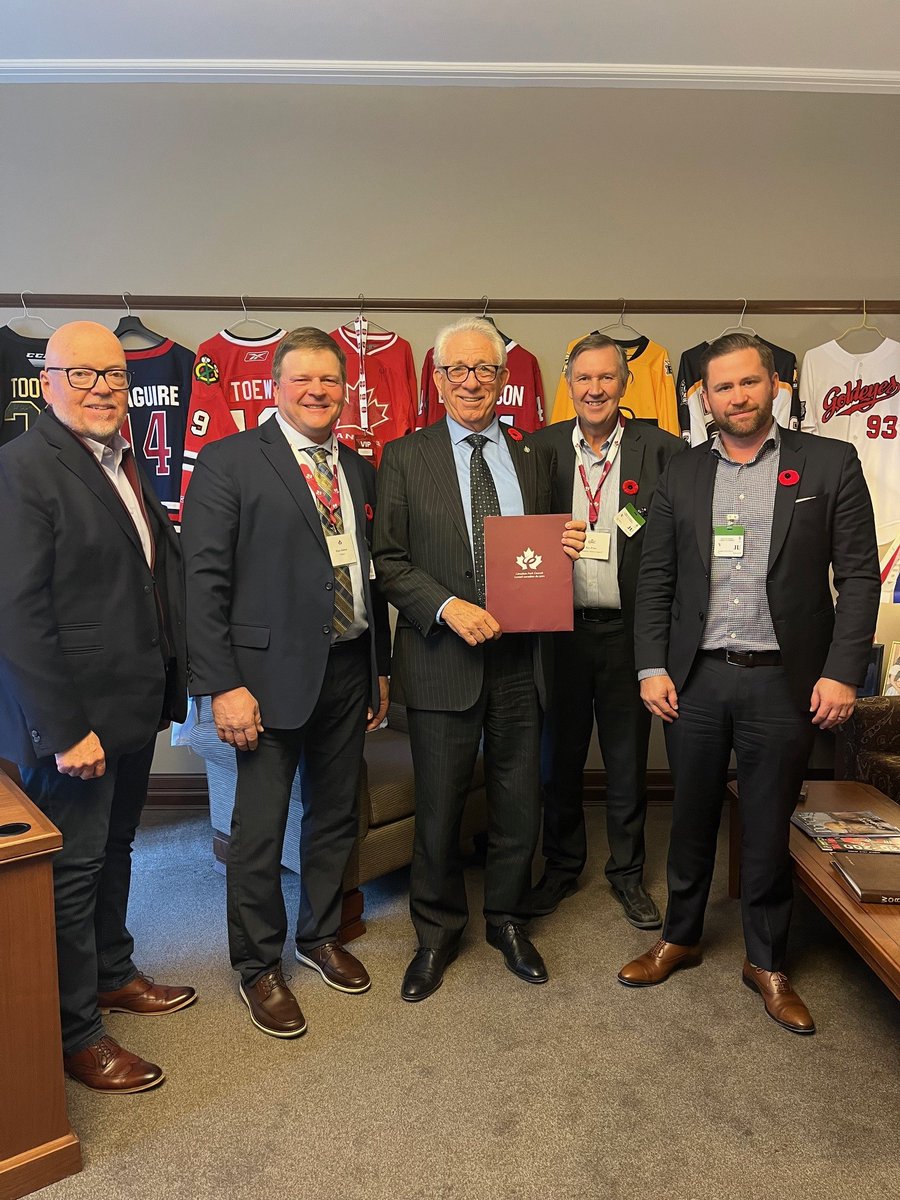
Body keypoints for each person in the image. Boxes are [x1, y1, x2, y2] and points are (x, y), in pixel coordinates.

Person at [619, 332, 880, 1033]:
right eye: (721, 387)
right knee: (692, 815)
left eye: (748, 384)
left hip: (783, 682)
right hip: (696, 678)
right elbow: (657, 579)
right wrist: (651, 665)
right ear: (703, 395)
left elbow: (857, 577)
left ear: (774, 387)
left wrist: (840, 671)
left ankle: (767, 960)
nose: (735, 397)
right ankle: (680, 936)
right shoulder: (682, 471)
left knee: (767, 825)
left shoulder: (829, 462)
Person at [0, 321, 194, 1094]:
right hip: (74, 721)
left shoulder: (125, 460)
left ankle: (114, 971)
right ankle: (75, 1031)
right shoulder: (21, 468)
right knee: (74, 870)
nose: (103, 388)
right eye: (83, 375)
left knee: (117, 851)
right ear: (47, 382)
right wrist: (65, 728)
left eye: (113, 376)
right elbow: (17, 613)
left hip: (130, 704)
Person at [182, 327, 389, 1038]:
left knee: (334, 814)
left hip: (345, 666)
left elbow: (368, 575)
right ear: (275, 386)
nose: (317, 392)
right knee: (260, 830)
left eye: (329, 381)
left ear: (344, 389)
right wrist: (222, 686)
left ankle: (321, 933)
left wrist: (376, 669)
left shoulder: (356, 468)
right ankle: (258, 966)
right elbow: (201, 582)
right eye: (302, 380)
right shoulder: (230, 461)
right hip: (262, 682)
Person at [373, 317, 585, 1001]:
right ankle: (435, 934)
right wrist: (446, 607)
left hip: (522, 660)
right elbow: (390, 560)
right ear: (435, 379)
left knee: (518, 800)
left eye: (484, 370)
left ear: (503, 380)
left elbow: (540, 553)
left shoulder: (534, 459)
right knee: (437, 807)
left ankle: (508, 919)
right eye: (457, 370)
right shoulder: (405, 456)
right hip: (443, 658)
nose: (471, 382)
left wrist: (566, 546)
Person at [528, 334, 685, 927]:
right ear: (569, 384)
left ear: (624, 384)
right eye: (583, 379)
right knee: (558, 758)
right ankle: (562, 867)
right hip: (560, 631)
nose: (594, 389)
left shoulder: (662, 450)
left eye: (606, 378)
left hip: (630, 634)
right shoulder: (539, 449)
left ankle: (626, 874)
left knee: (626, 759)